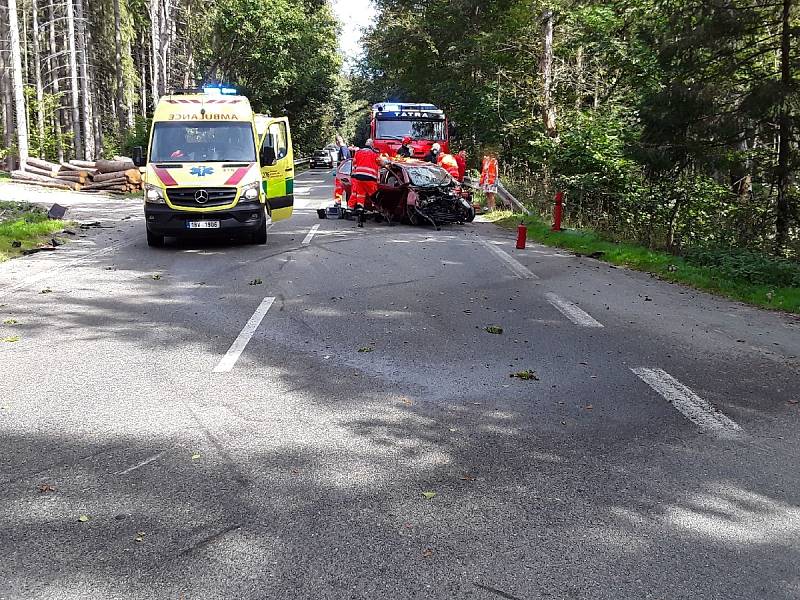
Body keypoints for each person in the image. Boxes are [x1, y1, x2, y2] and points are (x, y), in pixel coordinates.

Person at [350, 139, 387, 211]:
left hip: (359, 178)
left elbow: (354, 163)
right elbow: (381, 163)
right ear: (372, 145)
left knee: (361, 195)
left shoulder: (358, 152)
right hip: (370, 178)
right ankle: (376, 211)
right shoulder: (374, 154)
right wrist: (387, 162)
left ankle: (360, 212)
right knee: (374, 195)